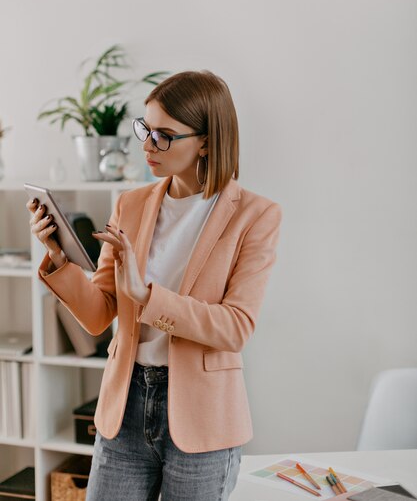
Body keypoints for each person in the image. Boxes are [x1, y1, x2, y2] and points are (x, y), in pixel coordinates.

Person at [27, 70, 283, 501]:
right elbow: (96, 315)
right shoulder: (130, 204)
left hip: (201, 420)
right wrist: (58, 258)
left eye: (164, 135)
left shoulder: (255, 216)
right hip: (125, 407)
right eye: (145, 129)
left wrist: (146, 296)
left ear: (205, 140)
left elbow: (235, 327)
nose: (147, 145)